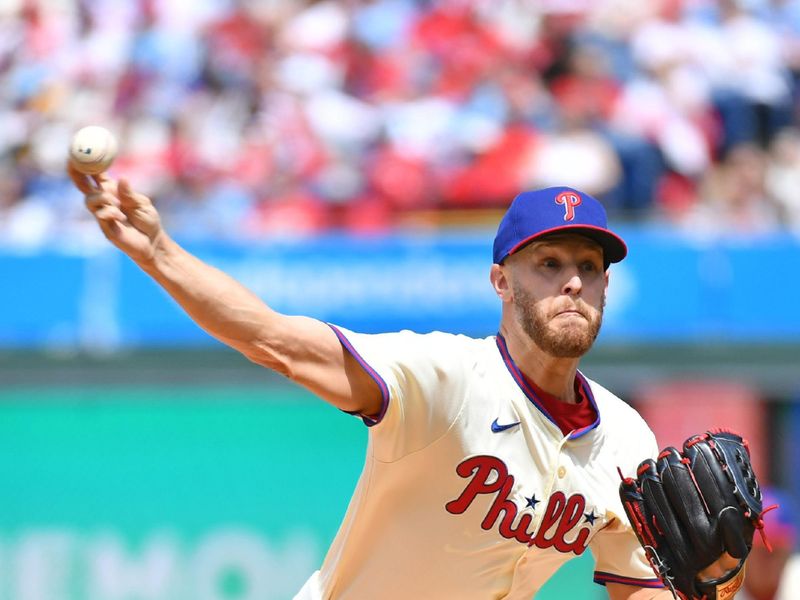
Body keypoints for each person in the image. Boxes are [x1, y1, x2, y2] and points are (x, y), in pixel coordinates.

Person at [69, 163, 741, 599]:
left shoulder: (625, 438)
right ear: (502, 282)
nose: (573, 280)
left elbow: (636, 584)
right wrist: (159, 253)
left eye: (590, 266)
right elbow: (273, 342)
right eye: (549, 262)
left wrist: (711, 588)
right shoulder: (444, 377)